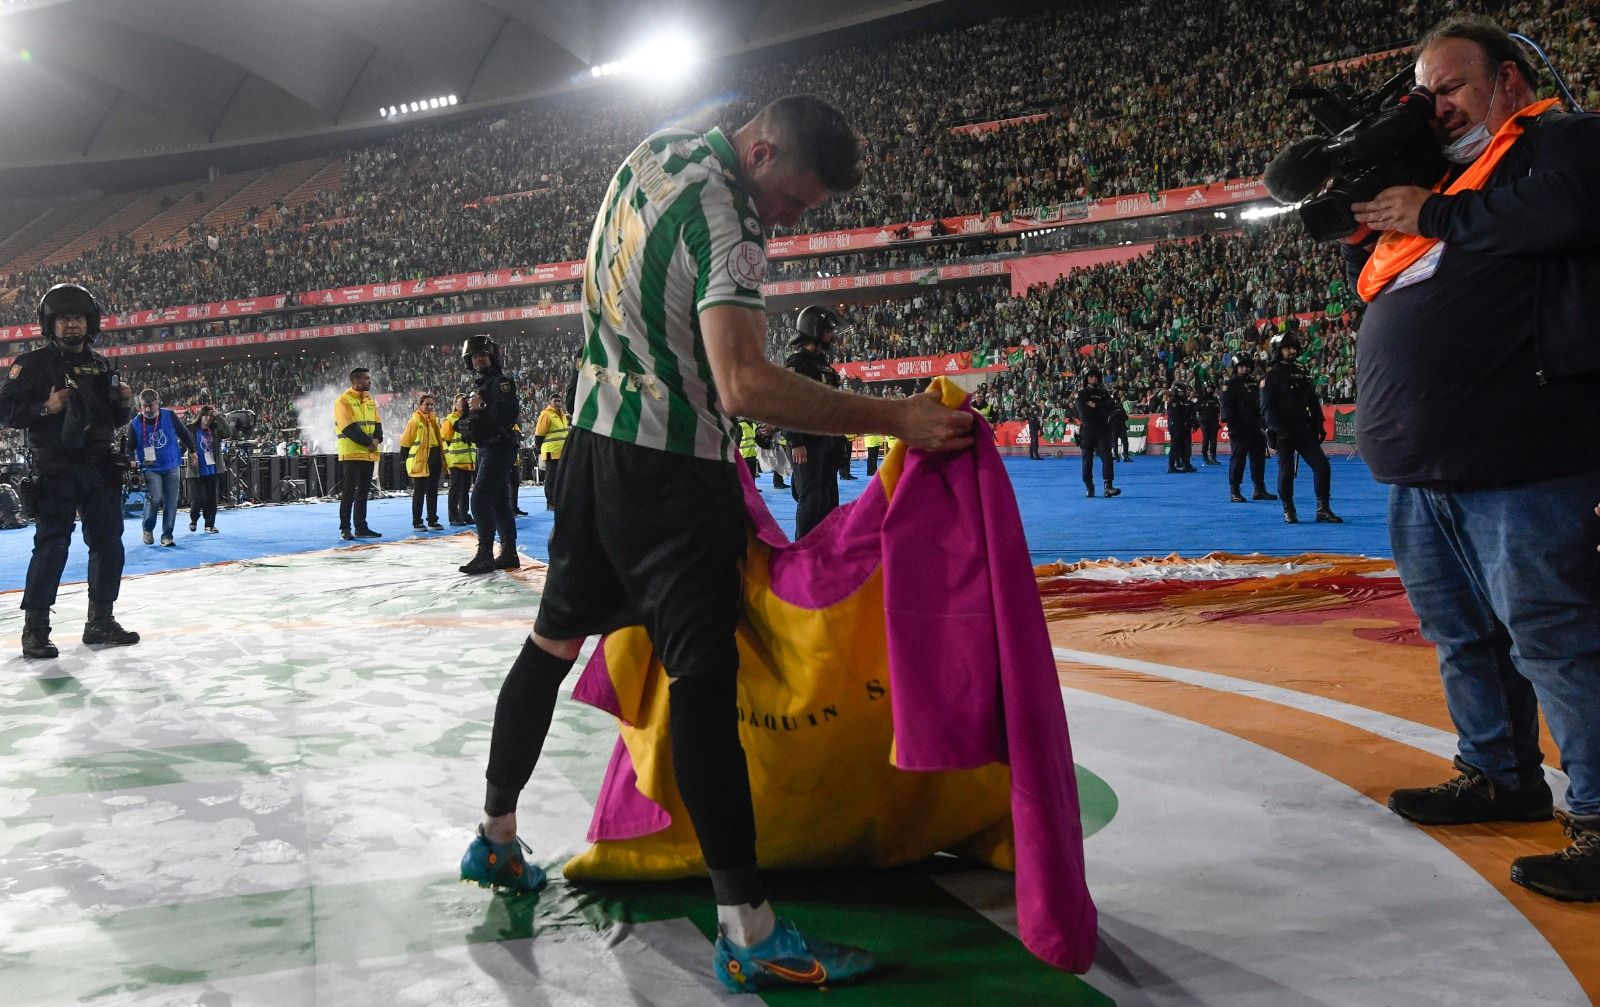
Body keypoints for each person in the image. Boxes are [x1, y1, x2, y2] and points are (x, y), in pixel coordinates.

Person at [461, 94, 972, 994]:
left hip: (591, 449)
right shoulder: (728, 217)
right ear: (762, 149)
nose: (788, 220)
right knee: (703, 685)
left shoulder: (653, 152)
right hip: (669, 471)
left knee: (548, 645)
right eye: (795, 201)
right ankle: (749, 928)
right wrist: (898, 418)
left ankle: (496, 838)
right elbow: (739, 384)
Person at [1347, 13, 1600, 900]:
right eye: (1425, 92)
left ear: (1511, 84)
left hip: (1528, 455)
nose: (1437, 107)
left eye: (1452, 86)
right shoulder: (1441, 188)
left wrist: (1435, 209)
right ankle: (1500, 771)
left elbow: (1572, 210)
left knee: (1558, 639)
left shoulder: (1564, 143)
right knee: (1464, 634)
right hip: (1427, 467)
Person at [0, 283, 140, 657]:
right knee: (52, 545)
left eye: (77, 318)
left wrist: (124, 405)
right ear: (51, 324)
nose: (71, 325)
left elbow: (111, 420)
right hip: (56, 467)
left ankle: (100, 622)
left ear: (89, 322)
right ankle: (35, 630)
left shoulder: (101, 365)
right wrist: (46, 408)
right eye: (64, 319)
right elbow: (7, 412)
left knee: (109, 544)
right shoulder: (30, 366)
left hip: (98, 467)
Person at [784, 304, 851, 539]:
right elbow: (788, 404)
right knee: (811, 500)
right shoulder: (797, 364)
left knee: (829, 499)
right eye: (829, 330)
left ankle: (827, 549)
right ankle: (803, 551)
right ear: (815, 330)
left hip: (827, 443)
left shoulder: (825, 366)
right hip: (808, 445)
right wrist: (796, 441)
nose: (832, 335)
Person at [1260, 331, 1339, 524]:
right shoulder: (1271, 376)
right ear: (1277, 351)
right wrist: (1277, 429)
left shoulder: (1301, 372)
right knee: (1286, 472)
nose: (1292, 351)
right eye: (1287, 348)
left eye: (1294, 347)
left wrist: (1319, 423)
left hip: (1303, 430)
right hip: (1282, 433)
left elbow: (1312, 400)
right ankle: (1289, 509)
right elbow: (1266, 408)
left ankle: (1323, 508)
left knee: (1322, 466)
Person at [458, 334, 519, 574]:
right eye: (473, 356)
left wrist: (480, 409)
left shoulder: (501, 382)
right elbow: (465, 426)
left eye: (482, 355)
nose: (478, 360)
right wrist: (468, 414)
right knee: (498, 501)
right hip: (485, 447)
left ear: (492, 357)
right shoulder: (479, 387)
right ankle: (509, 553)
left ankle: (485, 555)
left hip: (498, 446)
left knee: (480, 498)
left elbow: (507, 416)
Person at [128, 388, 196, 547]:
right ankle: (148, 527)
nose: (147, 409)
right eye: (144, 406)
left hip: (171, 465)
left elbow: (184, 433)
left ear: (158, 403)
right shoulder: (136, 423)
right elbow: (129, 446)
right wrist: (131, 460)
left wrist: (193, 451)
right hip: (150, 468)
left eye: (150, 406)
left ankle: (167, 535)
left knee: (171, 502)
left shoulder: (170, 416)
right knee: (155, 497)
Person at [334, 367, 383, 541]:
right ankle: (345, 528)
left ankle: (361, 527)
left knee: (363, 491)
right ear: (356, 381)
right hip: (352, 453)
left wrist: (377, 439)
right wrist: (370, 442)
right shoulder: (343, 400)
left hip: (368, 453)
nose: (369, 381)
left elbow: (377, 422)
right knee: (349, 492)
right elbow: (348, 428)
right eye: (366, 378)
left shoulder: (370, 400)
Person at [1221, 353, 1276, 504]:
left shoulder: (1254, 383)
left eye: (1247, 366)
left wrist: (1265, 422)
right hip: (1239, 427)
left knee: (1258, 458)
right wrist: (1231, 426)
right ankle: (1235, 490)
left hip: (1256, 427)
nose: (1245, 369)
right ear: (1235, 367)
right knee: (1238, 459)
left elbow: (1261, 404)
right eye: (1241, 366)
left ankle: (1259, 489)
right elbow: (1226, 408)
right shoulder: (1230, 385)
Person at [400, 393, 445, 531]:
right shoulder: (414, 422)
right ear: (420, 406)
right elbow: (405, 444)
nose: (430, 407)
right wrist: (405, 463)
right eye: (427, 404)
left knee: (433, 491)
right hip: (420, 460)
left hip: (435, 457)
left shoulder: (435, 420)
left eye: (431, 404)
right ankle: (417, 521)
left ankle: (432, 520)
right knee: (419, 492)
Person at [1075, 366, 1120, 498]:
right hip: (1087, 430)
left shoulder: (1104, 393)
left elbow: (1113, 406)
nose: (1094, 378)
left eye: (1095, 376)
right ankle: (1089, 486)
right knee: (1087, 460)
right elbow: (1083, 413)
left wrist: (1096, 406)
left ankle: (1108, 486)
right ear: (1086, 378)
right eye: (1091, 376)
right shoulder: (1082, 394)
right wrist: (1101, 409)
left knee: (1107, 456)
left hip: (1102, 429)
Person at [186, 405, 229, 533]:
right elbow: (183, 442)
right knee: (199, 499)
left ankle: (209, 525)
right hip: (196, 471)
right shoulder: (191, 429)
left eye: (211, 416)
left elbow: (228, 433)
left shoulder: (215, 429)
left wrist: (219, 417)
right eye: (205, 415)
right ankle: (194, 518)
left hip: (212, 469)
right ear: (200, 415)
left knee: (211, 499)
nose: (208, 418)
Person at [440, 392, 476, 526]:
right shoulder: (450, 420)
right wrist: (447, 461)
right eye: (460, 402)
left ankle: (464, 513)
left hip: (468, 460)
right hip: (455, 460)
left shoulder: (471, 418)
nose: (463, 405)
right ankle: (453, 516)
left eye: (465, 402)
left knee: (465, 490)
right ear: (455, 405)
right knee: (455, 489)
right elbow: (444, 441)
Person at [533, 393, 569, 510]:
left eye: (559, 401)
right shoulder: (546, 415)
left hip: (562, 452)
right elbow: (539, 435)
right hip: (551, 452)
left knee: (561, 477)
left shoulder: (563, 415)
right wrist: (539, 449)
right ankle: (551, 502)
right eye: (555, 401)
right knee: (551, 478)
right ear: (550, 402)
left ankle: (559, 500)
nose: (558, 403)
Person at [1165, 383, 1196, 473]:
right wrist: (1177, 428)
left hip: (1181, 426)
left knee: (1183, 447)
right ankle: (1171, 466)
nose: (1183, 393)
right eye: (1181, 392)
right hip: (1176, 427)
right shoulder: (1174, 401)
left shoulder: (1181, 401)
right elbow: (1175, 417)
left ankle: (1186, 464)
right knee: (1174, 447)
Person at [1196, 385, 1222, 465]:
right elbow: (1196, 408)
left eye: (1210, 388)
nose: (1209, 389)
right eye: (1208, 388)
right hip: (1204, 422)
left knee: (1214, 440)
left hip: (1214, 422)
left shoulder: (1215, 399)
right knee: (1206, 439)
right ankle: (1205, 456)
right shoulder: (1201, 398)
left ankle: (1213, 457)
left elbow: (1219, 410)